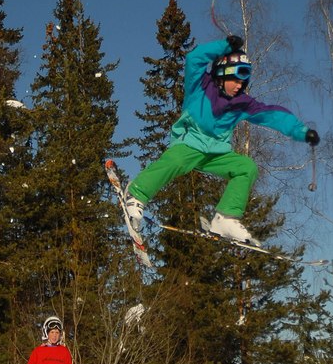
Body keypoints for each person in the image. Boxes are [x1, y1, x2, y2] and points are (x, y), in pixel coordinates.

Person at [124, 35, 319, 246]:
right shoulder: (199, 85)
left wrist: (302, 132)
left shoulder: (242, 103)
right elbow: (194, 58)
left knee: (246, 167)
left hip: (217, 154)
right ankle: (136, 193)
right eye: (235, 80)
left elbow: (272, 114)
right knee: (176, 161)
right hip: (189, 143)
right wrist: (225, 46)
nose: (239, 86)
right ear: (222, 74)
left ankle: (225, 218)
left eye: (243, 82)